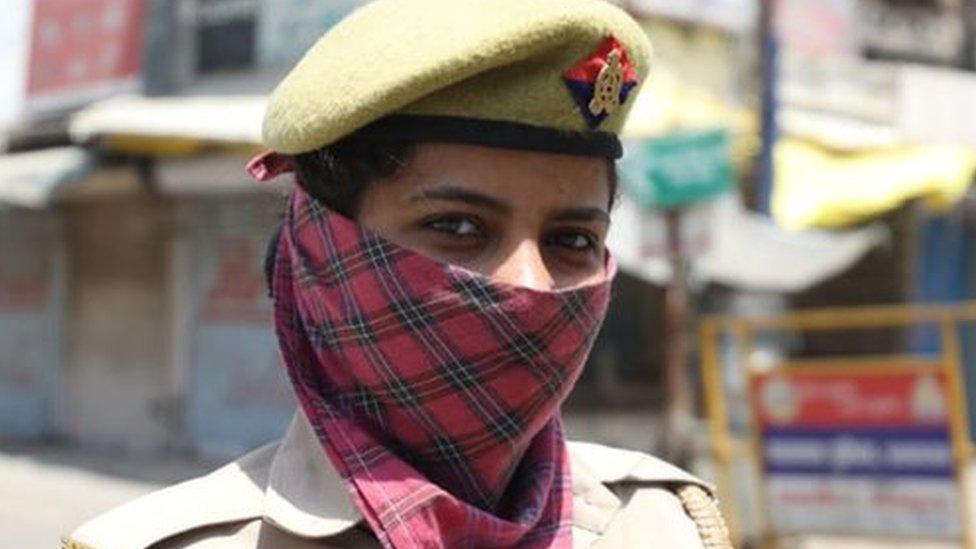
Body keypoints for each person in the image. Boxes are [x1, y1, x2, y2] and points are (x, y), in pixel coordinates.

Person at [65, 0, 731, 547]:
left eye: (573, 238)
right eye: (459, 227)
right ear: (322, 252)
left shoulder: (666, 524)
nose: (530, 282)